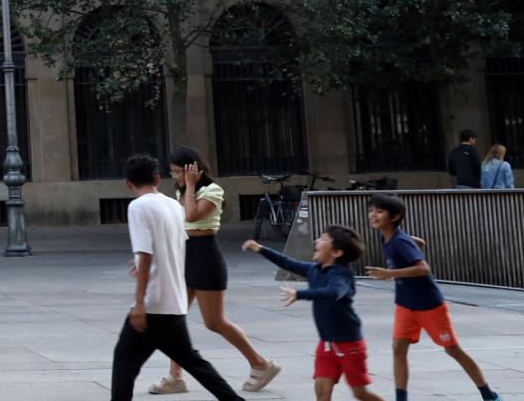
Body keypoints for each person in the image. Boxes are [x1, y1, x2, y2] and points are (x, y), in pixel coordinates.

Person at [108, 153, 241, 401]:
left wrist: (139, 302)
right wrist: (140, 261)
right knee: (194, 362)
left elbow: (146, 254)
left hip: (152, 304)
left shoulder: (137, 207)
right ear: (157, 178)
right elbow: (173, 247)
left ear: (128, 183)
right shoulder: (172, 204)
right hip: (174, 302)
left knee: (124, 363)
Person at [150, 147, 278, 394]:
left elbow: (192, 215)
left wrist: (188, 186)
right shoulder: (181, 190)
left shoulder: (212, 190)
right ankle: (175, 377)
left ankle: (260, 363)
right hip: (185, 253)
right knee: (173, 318)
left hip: (205, 255)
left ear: (192, 169)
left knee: (214, 322)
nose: (175, 177)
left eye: (178, 171)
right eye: (173, 172)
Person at [363, 193, 502, 401]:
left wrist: (391, 273)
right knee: (398, 348)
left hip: (429, 305)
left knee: (452, 349)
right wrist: (399, 266)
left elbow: (423, 268)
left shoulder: (399, 241)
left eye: (379, 211)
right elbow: (420, 242)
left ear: (395, 216)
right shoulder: (386, 235)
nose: (373, 214)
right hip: (405, 303)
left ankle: (489, 395)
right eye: (372, 210)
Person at [241, 227, 381, 400]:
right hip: (326, 344)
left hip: (349, 345)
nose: (316, 241)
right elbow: (287, 262)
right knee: (322, 392)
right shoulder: (315, 269)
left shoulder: (341, 276)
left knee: (360, 393)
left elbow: (333, 293)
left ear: (336, 252)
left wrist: (300, 294)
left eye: (323, 239)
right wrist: (261, 249)